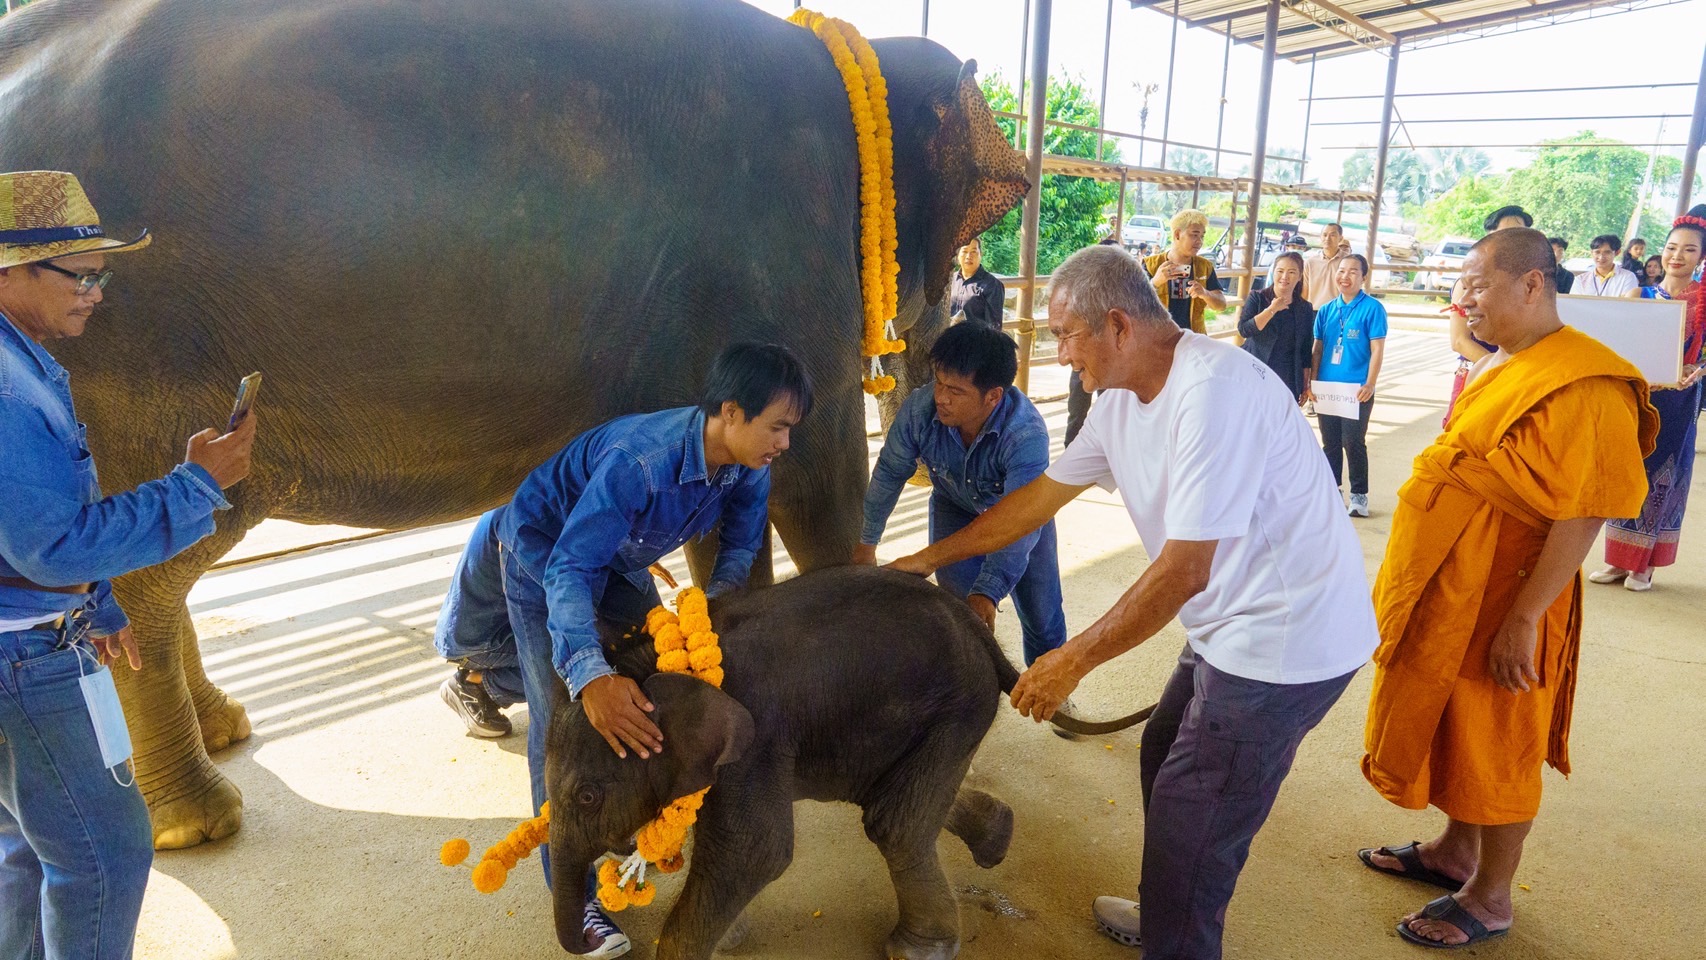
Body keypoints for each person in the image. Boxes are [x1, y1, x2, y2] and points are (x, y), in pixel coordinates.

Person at [888, 245, 1377, 960]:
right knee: (1164, 751)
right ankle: (1167, 911)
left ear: (1118, 325)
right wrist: (926, 560)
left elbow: (1183, 571)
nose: (1060, 356)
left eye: (1066, 336)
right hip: (1230, 624)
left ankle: (1176, 933)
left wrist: (1069, 661)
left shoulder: (1213, 392)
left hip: (1284, 639)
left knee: (1193, 820)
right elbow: (1036, 501)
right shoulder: (1116, 401)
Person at [431, 342, 810, 959]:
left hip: (618, 558)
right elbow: (570, 569)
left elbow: (740, 551)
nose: (785, 443)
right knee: (562, 717)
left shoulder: (748, 467)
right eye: (778, 426)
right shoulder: (642, 463)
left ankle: (631, 822)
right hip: (545, 552)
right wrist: (590, 676)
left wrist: (707, 612)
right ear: (732, 412)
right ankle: (575, 893)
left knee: (657, 678)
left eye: (791, 429)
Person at [1358, 227, 1656, 948]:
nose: (1464, 298)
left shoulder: (1587, 380)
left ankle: (1491, 897)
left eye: (1477, 284)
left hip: (1516, 592)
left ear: (1531, 284)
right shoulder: (1509, 358)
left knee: (1500, 735)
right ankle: (1455, 851)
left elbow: (1586, 510)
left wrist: (1526, 618)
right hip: (1460, 582)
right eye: (1461, 285)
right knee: (1457, 721)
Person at [0, 170, 259, 960]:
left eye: (100, 277)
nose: (95, 295)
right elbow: (52, 548)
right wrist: (197, 486)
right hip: (24, 658)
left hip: (28, 640)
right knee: (105, 854)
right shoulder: (7, 388)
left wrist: (97, 603)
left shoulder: (21, 358)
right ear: (10, 270)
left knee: (25, 846)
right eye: (79, 276)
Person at [855, 322, 1066, 670]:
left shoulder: (1025, 435)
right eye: (939, 382)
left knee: (1042, 617)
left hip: (1021, 518)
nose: (941, 397)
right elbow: (890, 472)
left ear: (993, 396)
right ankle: (969, 686)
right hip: (954, 507)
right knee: (960, 613)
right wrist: (867, 543)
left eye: (955, 390)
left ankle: (1050, 687)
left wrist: (988, 589)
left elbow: (1021, 525)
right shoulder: (919, 410)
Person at [1590, 207, 1706, 590]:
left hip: (1680, 402)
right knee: (1629, 471)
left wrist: (1697, 368)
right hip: (1638, 397)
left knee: (1664, 476)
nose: (1677, 256)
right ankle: (1618, 559)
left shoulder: (1704, 302)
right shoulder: (1639, 294)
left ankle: (1645, 565)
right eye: (1672, 247)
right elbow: (1618, 345)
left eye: (1689, 250)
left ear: (1701, 257)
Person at [1308, 254, 1387, 517]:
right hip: (1328, 389)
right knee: (1330, 442)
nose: (1345, 276)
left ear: (1363, 277)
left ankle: (1359, 495)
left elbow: (1377, 349)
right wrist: (1313, 382)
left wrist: (1370, 383)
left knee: (1353, 441)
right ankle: (1333, 491)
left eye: (1353, 271)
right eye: (1341, 271)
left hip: (1357, 390)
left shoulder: (1373, 308)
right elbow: (1318, 349)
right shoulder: (1327, 310)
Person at [1443, 205, 1533, 425]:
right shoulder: (1467, 284)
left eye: (1520, 234)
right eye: (1506, 233)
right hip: (1480, 374)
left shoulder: (1532, 283)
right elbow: (1459, 340)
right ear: (1489, 237)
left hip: (1519, 380)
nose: (1513, 241)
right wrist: (1502, 370)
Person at [1239, 250, 1315, 402]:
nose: (1285, 277)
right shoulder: (1257, 297)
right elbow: (1244, 330)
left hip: (1287, 374)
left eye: (1292, 272)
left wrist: (1304, 384)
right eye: (1280, 271)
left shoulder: (1305, 307)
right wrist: (1272, 310)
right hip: (1256, 368)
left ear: (1300, 276)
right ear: (1273, 273)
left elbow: (1306, 349)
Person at [1142, 208, 1226, 334]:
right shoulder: (1150, 264)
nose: (1200, 241)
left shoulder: (1205, 266)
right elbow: (1134, 303)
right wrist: (1155, 282)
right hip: (1158, 337)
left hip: (1194, 337)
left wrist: (1205, 293)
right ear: (1177, 235)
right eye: (1194, 235)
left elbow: (1221, 305)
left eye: (1202, 236)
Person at [950, 236, 1005, 332]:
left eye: (973, 252)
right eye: (964, 251)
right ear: (958, 255)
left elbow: (994, 326)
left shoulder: (992, 285)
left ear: (981, 254)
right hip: (949, 338)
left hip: (975, 339)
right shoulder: (950, 280)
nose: (968, 256)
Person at [1302, 221, 1352, 306]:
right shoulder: (1310, 262)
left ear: (1340, 238)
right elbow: (1304, 292)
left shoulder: (1349, 261)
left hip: (1339, 310)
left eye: (1332, 235)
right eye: (1324, 235)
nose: (1327, 238)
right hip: (1314, 310)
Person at [1576, 234, 1640, 297]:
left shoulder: (1628, 277)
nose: (1601, 257)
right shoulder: (1580, 279)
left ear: (1617, 252)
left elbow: (1627, 303)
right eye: (1597, 252)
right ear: (1592, 253)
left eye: (1607, 252)